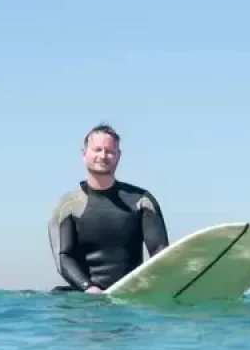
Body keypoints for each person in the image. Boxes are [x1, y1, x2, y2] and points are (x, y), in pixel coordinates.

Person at [48, 123, 169, 293]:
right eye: (97, 150)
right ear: (84, 154)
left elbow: (160, 253)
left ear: (119, 156)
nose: (103, 155)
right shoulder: (68, 205)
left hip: (129, 296)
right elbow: (63, 257)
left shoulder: (141, 200)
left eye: (110, 151)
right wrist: (89, 288)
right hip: (84, 299)